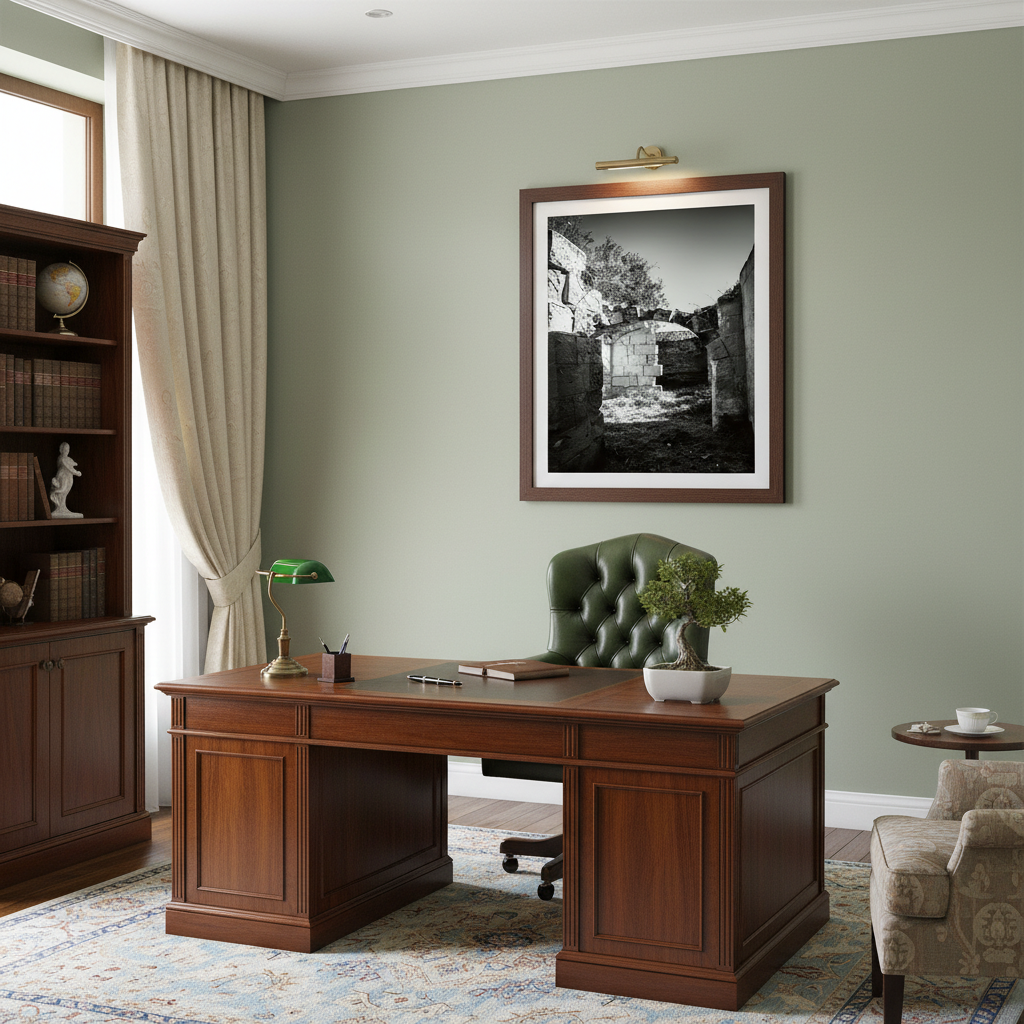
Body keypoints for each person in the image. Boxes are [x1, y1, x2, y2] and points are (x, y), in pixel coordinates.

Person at [50, 441, 83, 518]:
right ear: (61, 450)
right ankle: (59, 507)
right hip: (62, 476)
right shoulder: (61, 458)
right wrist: (76, 472)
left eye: (68, 449)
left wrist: (74, 467)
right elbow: (68, 466)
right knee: (62, 489)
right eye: (65, 450)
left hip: (69, 477)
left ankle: (63, 507)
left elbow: (74, 463)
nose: (66, 451)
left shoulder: (68, 458)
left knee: (65, 492)